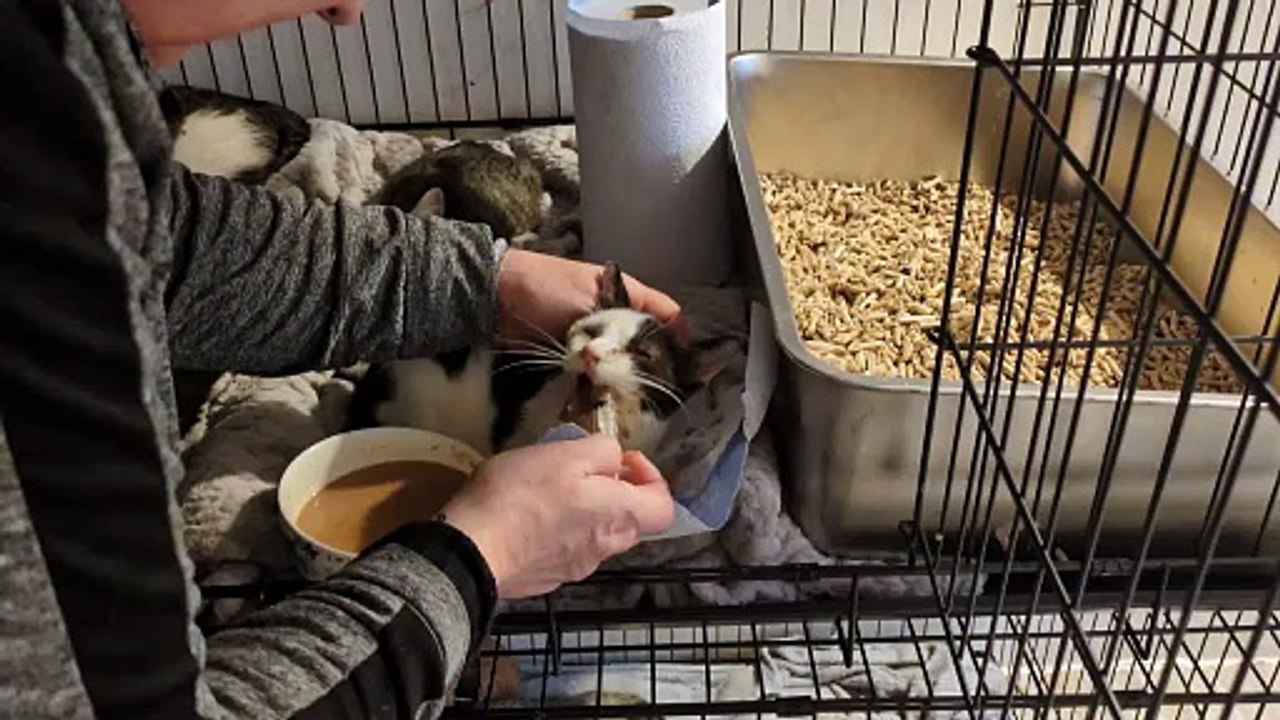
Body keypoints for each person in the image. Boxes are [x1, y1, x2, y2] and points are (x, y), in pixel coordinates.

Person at [0, 1, 679, 718]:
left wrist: (491, 283)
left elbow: (164, 246)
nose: (348, 13)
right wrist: (472, 562)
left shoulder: (61, 78)